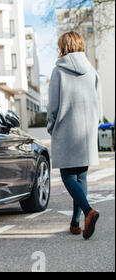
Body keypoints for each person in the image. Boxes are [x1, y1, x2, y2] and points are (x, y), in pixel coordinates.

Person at [47, 31, 102, 239]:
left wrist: (51, 126)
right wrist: (94, 125)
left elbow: (52, 105)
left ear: (63, 46)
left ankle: (89, 211)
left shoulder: (58, 71)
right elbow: (99, 103)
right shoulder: (92, 71)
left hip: (66, 130)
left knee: (68, 177)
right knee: (81, 176)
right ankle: (75, 223)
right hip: (87, 132)